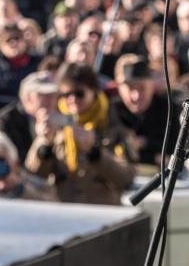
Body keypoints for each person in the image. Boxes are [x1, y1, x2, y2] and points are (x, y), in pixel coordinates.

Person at [26, 63, 134, 206]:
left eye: (79, 93)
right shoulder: (56, 124)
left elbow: (126, 179)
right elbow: (34, 176)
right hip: (64, 212)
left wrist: (94, 152)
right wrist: (44, 143)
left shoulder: (114, 123)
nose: (72, 100)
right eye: (66, 94)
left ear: (93, 91)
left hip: (103, 213)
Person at [0, 71, 60, 162]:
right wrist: (42, 139)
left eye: (53, 95)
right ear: (26, 98)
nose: (50, 100)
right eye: (42, 95)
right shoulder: (7, 120)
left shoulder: (61, 115)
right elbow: (17, 161)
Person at [0, 25, 42, 114]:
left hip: (36, 112)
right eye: (8, 40)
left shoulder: (38, 62)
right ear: (0, 45)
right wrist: (16, 103)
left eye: (16, 38)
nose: (13, 43)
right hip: (1, 115)